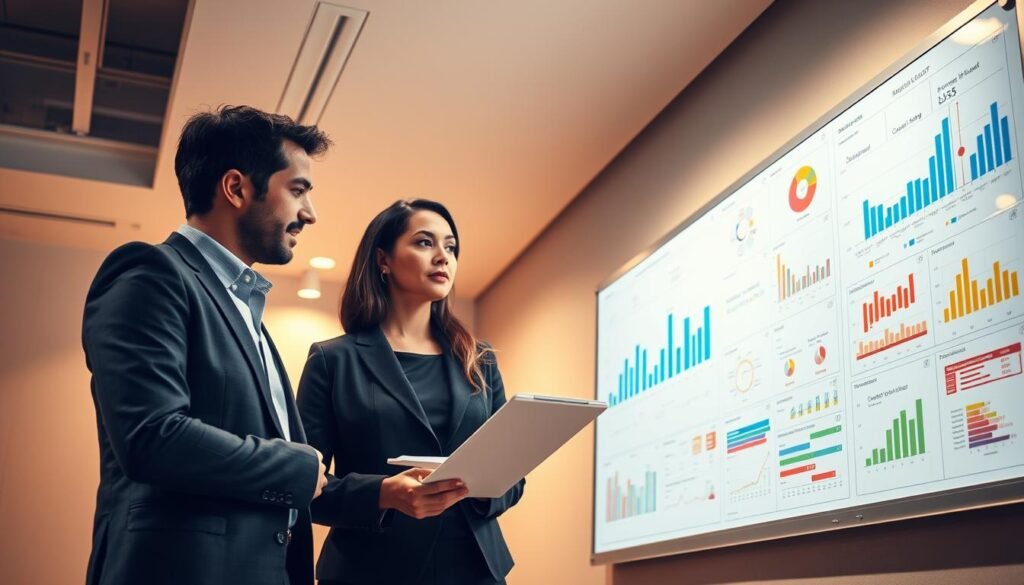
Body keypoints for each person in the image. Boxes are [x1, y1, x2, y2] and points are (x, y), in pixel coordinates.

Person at [81, 105, 332, 585]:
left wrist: (388, 493)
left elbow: (285, 465)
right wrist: (296, 467)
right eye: (297, 190)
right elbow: (152, 436)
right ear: (236, 188)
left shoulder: (247, 309)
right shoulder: (149, 272)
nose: (309, 213)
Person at [297, 199, 525, 585]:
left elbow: (512, 479)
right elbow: (302, 483)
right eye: (424, 243)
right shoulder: (332, 360)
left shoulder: (480, 360)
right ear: (383, 260)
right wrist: (383, 494)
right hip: (369, 571)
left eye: (450, 247)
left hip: (474, 570)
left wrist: (479, 489)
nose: (443, 257)